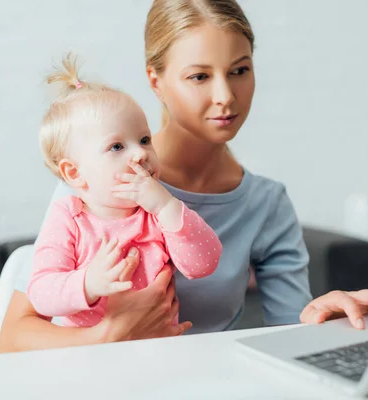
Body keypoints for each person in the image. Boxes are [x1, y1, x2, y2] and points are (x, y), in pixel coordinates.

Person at [0, 0, 368, 353]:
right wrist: (108, 336)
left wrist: (328, 313)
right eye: (199, 76)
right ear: (156, 81)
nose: (226, 95)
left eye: (240, 70)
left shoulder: (266, 203)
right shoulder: (101, 182)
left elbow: (289, 331)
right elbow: (12, 339)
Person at [26, 54, 222, 328]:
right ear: (75, 173)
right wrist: (88, 284)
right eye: (117, 146)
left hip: (159, 352)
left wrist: (166, 207)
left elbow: (204, 263)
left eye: (144, 139)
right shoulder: (69, 218)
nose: (141, 153)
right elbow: (41, 293)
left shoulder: (155, 212)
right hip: (90, 357)